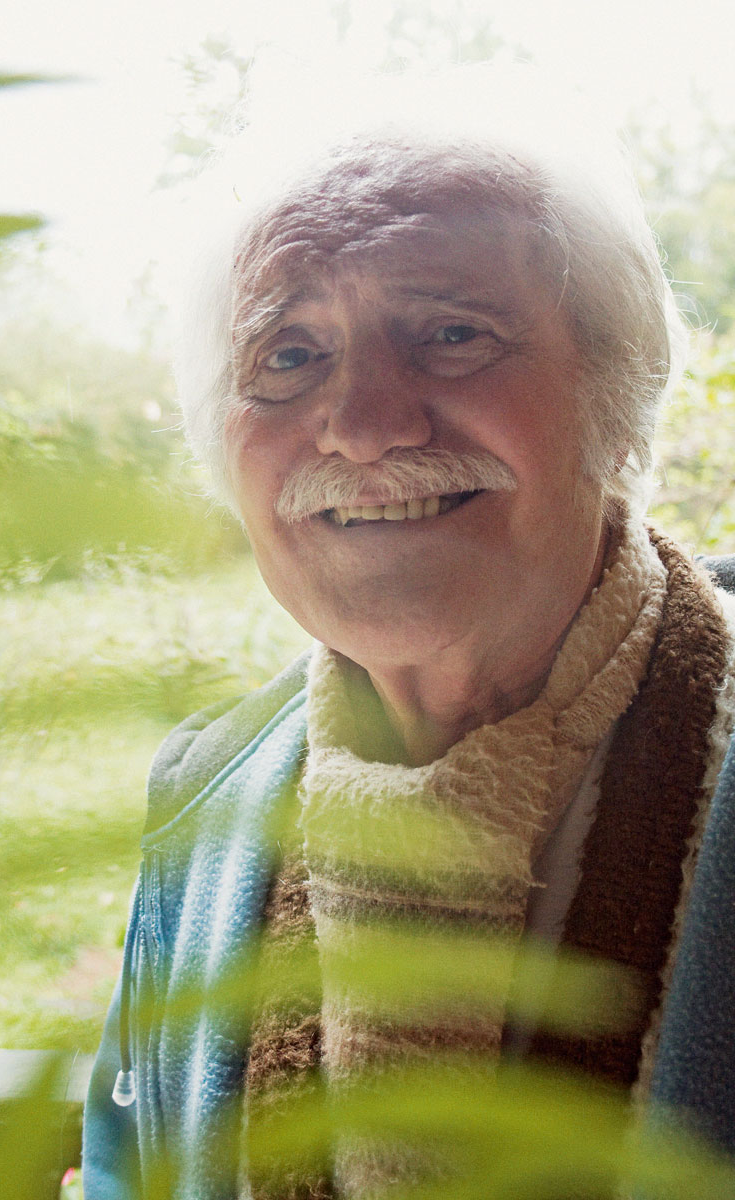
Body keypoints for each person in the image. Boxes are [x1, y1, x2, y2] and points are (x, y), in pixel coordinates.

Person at [83, 65, 735, 1199]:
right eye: (287, 354)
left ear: (614, 386)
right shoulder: (201, 797)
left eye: (449, 332)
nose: (365, 425)